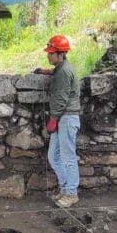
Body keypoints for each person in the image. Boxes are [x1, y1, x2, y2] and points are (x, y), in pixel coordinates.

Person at [33, 34, 81, 208]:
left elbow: (61, 98)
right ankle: (65, 187)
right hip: (63, 117)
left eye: (51, 53)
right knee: (54, 156)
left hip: (66, 117)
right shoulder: (61, 68)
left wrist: (52, 120)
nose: (48, 55)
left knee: (68, 156)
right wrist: (48, 72)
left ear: (60, 54)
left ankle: (71, 193)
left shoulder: (64, 71)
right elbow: (60, 74)